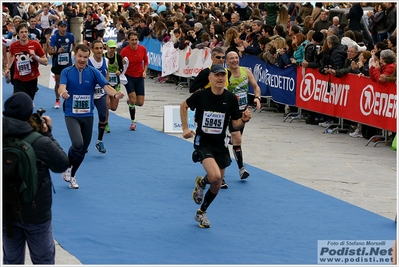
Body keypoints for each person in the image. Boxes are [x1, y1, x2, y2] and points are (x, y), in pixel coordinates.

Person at [180, 64, 252, 228]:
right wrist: (185, 128)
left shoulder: (231, 98)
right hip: (203, 143)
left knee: (217, 184)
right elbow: (183, 105)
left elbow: (235, 124)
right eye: (217, 75)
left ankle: (202, 212)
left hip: (221, 144)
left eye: (223, 76)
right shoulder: (201, 96)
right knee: (215, 177)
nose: (220, 78)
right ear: (210, 78)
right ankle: (201, 183)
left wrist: (244, 120)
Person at [3, 92, 69, 264]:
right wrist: (48, 134)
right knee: (43, 259)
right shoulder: (39, 141)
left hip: (6, 210)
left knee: (11, 260)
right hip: (36, 211)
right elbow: (62, 164)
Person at [58, 44, 124, 189]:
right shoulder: (67, 71)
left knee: (83, 148)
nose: (82, 59)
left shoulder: (93, 72)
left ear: (88, 58)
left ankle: (72, 175)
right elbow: (61, 86)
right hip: (71, 114)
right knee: (77, 144)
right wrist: (62, 93)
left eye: (85, 57)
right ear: (74, 55)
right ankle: (67, 165)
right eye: (80, 56)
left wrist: (115, 94)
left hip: (87, 114)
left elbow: (106, 85)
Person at [225, 51, 262, 184]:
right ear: (227, 61)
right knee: (237, 139)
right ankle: (241, 168)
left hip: (243, 112)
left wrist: (257, 98)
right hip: (228, 112)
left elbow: (256, 87)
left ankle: (228, 140)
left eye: (236, 58)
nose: (235, 60)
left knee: (235, 140)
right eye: (231, 59)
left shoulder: (246, 71)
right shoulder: (225, 75)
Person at [4, 23, 48, 100]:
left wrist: (35, 56)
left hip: (32, 78)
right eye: (21, 32)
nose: (24, 34)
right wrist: (8, 68)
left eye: (25, 32)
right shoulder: (13, 46)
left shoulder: (35, 44)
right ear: (18, 34)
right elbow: (11, 56)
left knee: (29, 101)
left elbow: (45, 62)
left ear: (28, 33)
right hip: (18, 79)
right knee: (20, 101)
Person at [120, 30, 148, 131]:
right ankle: (133, 121)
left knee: (140, 103)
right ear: (128, 40)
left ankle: (131, 102)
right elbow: (119, 64)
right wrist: (121, 64)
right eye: (132, 40)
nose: (134, 42)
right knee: (133, 99)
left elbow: (146, 62)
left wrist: (144, 71)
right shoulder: (124, 51)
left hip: (139, 77)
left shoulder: (143, 49)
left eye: (136, 40)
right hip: (129, 77)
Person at [88, 40, 110, 153]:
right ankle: (83, 142)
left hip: (100, 94)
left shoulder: (106, 60)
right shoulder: (87, 62)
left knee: (103, 117)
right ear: (92, 50)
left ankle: (99, 141)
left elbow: (106, 77)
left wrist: (109, 90)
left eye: (101, 48)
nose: (99, 51)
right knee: (86, 120)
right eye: (96, 48)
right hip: (88, 96)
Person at [48, 20, 76, 109]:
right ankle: (57, 99)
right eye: (62, 27)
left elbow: (74, 44)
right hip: (57, 63)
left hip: (67, 62)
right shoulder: (54, 37)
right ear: (58, 27)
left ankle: (68, 99)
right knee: (58, 82)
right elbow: (49, 51)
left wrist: (75, 53)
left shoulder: (70, 36)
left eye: (65, 27)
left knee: (69, 81)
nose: (63, 28)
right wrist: (57, 52)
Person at [104, 39, 124, 133]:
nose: (112, 50)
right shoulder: (103, 57)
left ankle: (104, 115)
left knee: (113, 107)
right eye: (111, 48)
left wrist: (119, 71)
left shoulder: (118, 57)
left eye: (114, 48)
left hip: (115, 84)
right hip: (105, 85)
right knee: (106, 105)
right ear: (107, 47)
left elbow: (121, 67)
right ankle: (105, 123)